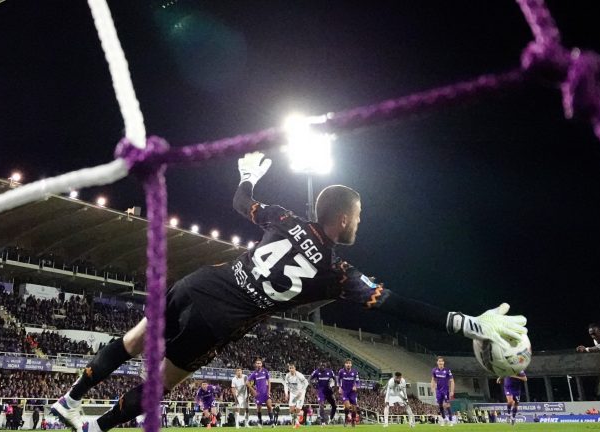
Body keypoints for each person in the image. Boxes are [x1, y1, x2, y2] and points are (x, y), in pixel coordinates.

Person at [49, 151, 527, 432]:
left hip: (201, 284)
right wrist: (467, 324)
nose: (360, 223)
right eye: (358, 217)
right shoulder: (338, 274)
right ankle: (95, 427)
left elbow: (240, 201)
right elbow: (400, 305)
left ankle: (69, 400)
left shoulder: (283, 219)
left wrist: (248, 174)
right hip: (221, 320)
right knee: (160, 385)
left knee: (134, 341)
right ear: (341, 218)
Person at [247, 358, 274, 428]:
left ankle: (272, 422)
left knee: (269, 406)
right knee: (259, 409)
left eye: (260, 363)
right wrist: (253, 390)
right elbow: (247, 382)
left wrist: (269, 391)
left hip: (266, 393)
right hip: (258, 394)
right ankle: (260, 421)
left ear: (261, 364)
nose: (258, 364)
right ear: (256, 364)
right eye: (257, 363)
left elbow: (269, 381)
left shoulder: (265, 371)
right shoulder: (254, 373)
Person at [431, 357, 455, 426]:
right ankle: (444, 419)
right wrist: (432, 387)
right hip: (438, 391)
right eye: (439, 361)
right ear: (437, 362)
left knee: (447, 405)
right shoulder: (434, 370)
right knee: (440, 405)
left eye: (442, 361)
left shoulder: (447, 370)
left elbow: (452, 381)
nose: (440, 362)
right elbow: (433, 379)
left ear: (443, 362)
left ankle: (451, 421)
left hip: (445, 390)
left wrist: (452, 391)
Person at [283, 363, 308, 429]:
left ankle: (299, 416)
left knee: (298, 410)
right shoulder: (287, 376)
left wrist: (301, 392)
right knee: (291, 410)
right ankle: (297, 423)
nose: (291, 369)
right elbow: (285, 385)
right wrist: (286, 394)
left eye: (292, 368)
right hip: (293, 393)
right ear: (289, 369)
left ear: (295, 369)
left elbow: (306, 383)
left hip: (300, 393)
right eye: (290, 368)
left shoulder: (299, 375)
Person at [337, 359, 359, 427]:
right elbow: (338, 379)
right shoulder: (341, 371)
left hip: (352, 392)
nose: (348, 364)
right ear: (345, 364)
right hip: (345, 392)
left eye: (349, 363)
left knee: (354, 410)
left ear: (351, 364)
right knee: (346, 407)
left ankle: (353, 420)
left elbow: (358, 381)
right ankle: (346, 418)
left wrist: (356, 386)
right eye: (347, 363)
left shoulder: (355, 372)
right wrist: (339, 387)